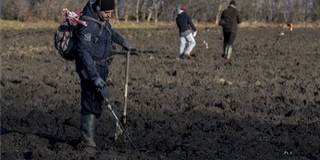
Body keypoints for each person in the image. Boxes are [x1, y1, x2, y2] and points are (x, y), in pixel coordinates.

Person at [75, 0, 130, 148]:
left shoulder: (102, 19)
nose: (109, 15)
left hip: (102, 66)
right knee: (90, 100)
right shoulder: (88, 26)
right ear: (98, 9)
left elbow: (109, 32)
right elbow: (83, 52)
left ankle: (89, 135)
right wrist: (93, 76)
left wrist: (122, 41)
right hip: (89, 68)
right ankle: (87, 141)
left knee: (98, 99)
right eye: (107, 12)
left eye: (111, 13)